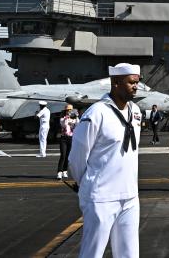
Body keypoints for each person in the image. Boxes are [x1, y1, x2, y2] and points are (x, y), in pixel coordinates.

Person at [69, 63, 143, 258]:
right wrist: (88, 185)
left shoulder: (135, 111)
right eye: (131, 82)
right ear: (116, 82)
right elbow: (77, 156)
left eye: (137, 82)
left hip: (129, 196)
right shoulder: (96, 113)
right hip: (101, 197)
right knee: (92, 253)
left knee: (129, 253)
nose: (136, 86)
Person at [57, 104, 78, 179]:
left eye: (70, 110)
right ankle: (59, 171)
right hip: (64, 138)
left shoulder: (74, 119)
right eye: (68, 110)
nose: (69, 111)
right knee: (63, 155)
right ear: (65, 111)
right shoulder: (62, 118)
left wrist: (76, 117)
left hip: (71, 138)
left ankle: (65, 171)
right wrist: (67, 118)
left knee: (68, 156)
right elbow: (64, 126)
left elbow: (77, 126)